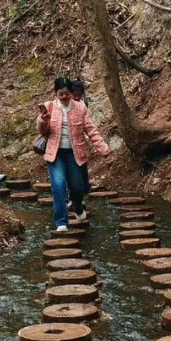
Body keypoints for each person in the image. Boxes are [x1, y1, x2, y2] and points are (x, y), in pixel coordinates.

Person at [37, 77, 110, 231]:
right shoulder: (49, 107)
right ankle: (61, 222)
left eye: (67, 93)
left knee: (78, 187)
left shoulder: (80, 108)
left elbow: (91, 130)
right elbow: (42, 131)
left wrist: (103, 148)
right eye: (61, 94)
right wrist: (43, 120)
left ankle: (77, 206)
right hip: (55, 154)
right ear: (56, 93)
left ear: (72, 92)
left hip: (74, 153)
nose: (64, 97)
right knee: (58, 185)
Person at [68, 78, 93, 197]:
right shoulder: (65, 104)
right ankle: (72, 193)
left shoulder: (83, 105)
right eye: (74, 95)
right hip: (67, 141)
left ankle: (85, 188)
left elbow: (88, 124)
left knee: (82, 165)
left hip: (79, 140)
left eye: (79, 95)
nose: (77, 97)